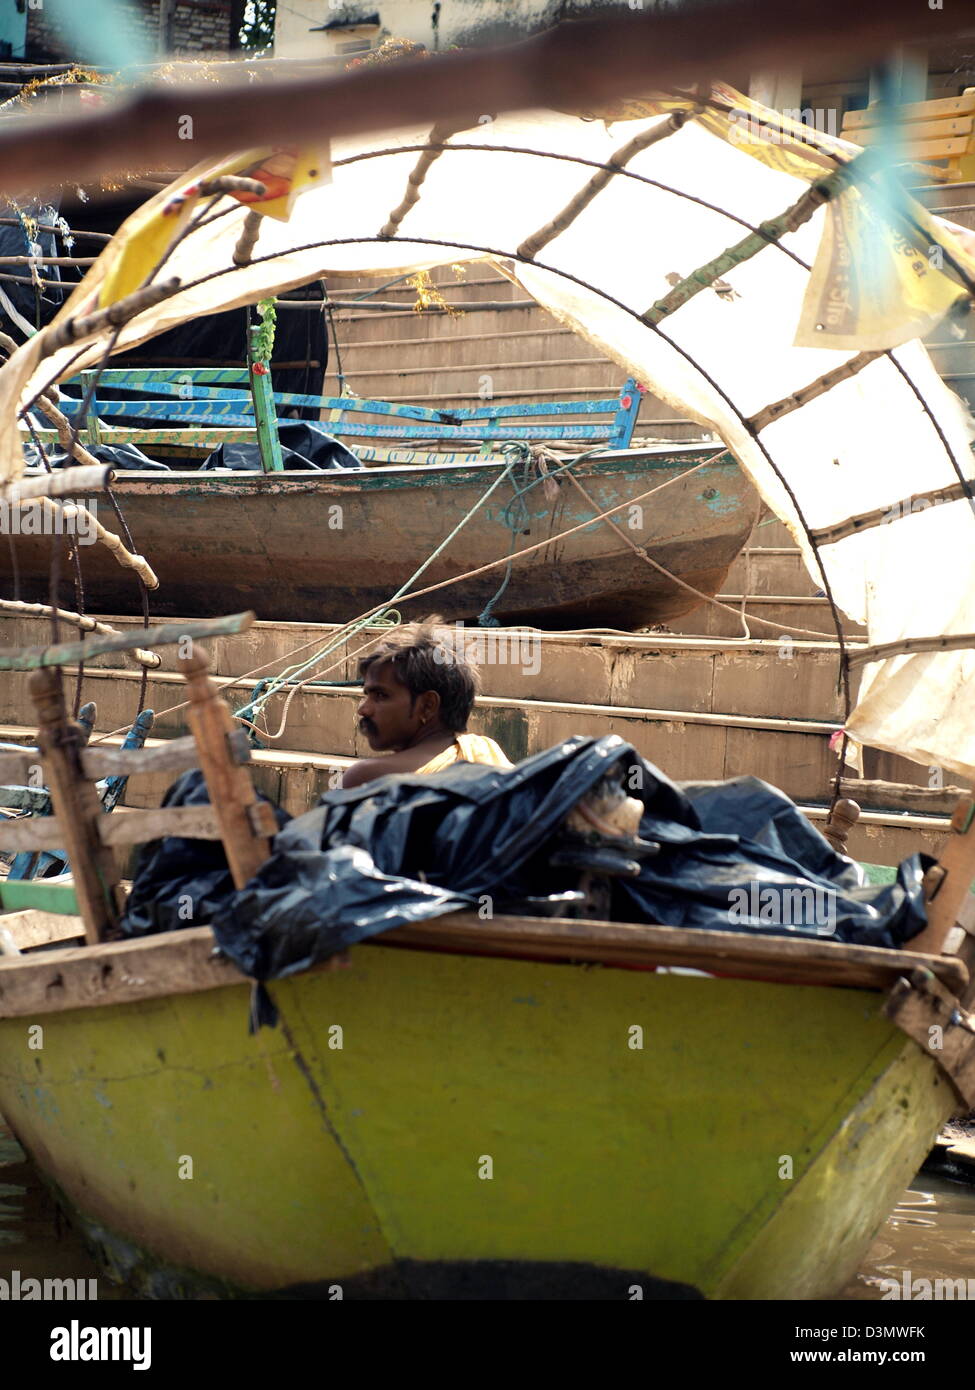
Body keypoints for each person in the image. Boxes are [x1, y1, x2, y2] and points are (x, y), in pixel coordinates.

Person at [341, 617, 512, 789]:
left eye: (380, 695)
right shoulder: (487, 754)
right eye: (366, 695)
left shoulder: (365, 777)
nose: (363, 709)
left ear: (428, 706)